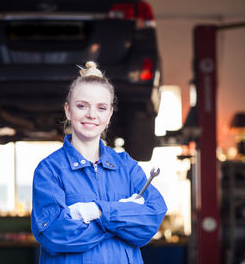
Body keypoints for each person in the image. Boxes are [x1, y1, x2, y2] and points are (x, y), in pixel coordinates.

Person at [31, 61, 167, 264]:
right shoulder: (49, 171)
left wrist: (95, 212)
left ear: (110, 114)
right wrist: (122, 216)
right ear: (68, 110)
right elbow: (54, 235)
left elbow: (150, 220)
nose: (91, 115)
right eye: (81, 106)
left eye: (101, 107)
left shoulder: (126, 166)